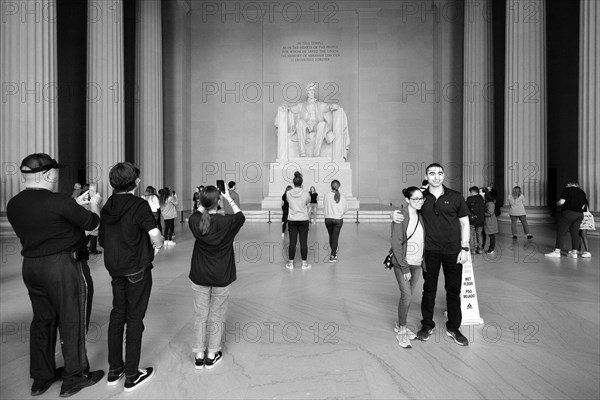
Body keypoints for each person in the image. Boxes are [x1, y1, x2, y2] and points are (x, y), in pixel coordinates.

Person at [6, 153, 105, 397]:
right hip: (63, 266)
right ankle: (75, 377)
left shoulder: (14, 204)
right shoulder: (60, 201)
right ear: (49, 174)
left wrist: (74, 204)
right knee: (72, 319)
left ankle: (42, 377)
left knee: (42, 321)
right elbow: (93, 225)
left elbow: (50, 221)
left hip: (31, 267)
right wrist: (94, 205)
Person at [99, 162, 164, 392]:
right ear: (135, 182)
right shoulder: (139, 205)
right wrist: (157, 247)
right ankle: (132, 375)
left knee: (118, 315)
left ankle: (115, 369)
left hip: (115, 269)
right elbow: (155, 235)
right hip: (136, 269)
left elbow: (102, 239)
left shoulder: (107, 205)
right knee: (134, 319)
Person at [392, 163, 470, 346]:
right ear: (426, 176)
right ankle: (427, 325)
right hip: (430, 252)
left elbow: (465, 224)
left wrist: (465, 248)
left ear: (444, 175)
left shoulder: (456, 197)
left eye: (440, 173)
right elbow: (408, 210)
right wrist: (393, 214)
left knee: (453, 290)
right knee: (429, 290)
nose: (436, 176)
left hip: (453, 251)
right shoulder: (422, 198)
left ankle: (453, 327)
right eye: (432, 173)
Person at [188, 185, 245, 370]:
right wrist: (228, 198)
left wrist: (203, 202)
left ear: (201, 202)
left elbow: (198, 213)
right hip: (221, 274)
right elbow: (240, 216)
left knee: (200, 314)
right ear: (218, 202)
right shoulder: (227, 222)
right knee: (217, 314)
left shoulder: (195, 220)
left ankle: (198, 354)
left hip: (200, 274)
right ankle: (212, 353)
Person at [276, 82, 350, 160]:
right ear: (307, 92)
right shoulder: (301, 105)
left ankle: (316, 152)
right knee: (300, 122)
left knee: (322, 124)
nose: (311, 92)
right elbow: (291, 109)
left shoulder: (320, 105)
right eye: (310, 91)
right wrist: (286, 107)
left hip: (316, 126)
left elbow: (328, 107)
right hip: (306, 126)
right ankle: (302, 152)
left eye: (312, 91)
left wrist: (334, 106)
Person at [390, 186, 425, 348]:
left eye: (421, 198)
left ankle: (400, 323)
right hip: (403, 263)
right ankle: (402, 328)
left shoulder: (422, 215)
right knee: (407, 296)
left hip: (417, 264)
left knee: (409, 295)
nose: (419, 202)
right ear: (407, 200)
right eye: (415, 199)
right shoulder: (400, 216)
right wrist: (404, 268)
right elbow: (396, 243)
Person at [545, 181, 588, 258]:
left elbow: (562, 202)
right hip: (580, 214)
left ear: (569, 184)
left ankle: (557, 252)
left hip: (568, 213)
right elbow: (583, 205)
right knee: (575, 233)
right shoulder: (582, 192)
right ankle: (574, 253)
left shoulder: (567, 189)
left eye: (567, 184)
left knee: (561, 232)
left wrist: (555, 204)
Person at [286, 171, 312, 270]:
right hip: (303, 219)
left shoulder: (288, 193)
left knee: (292, 242)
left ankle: (291, 263)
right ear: (301, 183)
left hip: (292, 219)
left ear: (293, 183)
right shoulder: (306, 194)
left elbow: (289, 202)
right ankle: (304, 263)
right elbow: (308, 202)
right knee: (303, 241)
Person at [323, 180, 349, 262]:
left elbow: (324, 205)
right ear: (339, 186)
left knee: (331, 237)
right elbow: (346, 208)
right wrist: (340, 213)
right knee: (335, 238)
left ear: (331, 186)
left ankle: (333, 253)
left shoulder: (326, 195)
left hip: (328, 218)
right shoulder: (342, 196)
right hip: (338, 219)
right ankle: (332, 255)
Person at [466, 186, 485, 254]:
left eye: (470, 192)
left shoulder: (470, 199)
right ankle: (480, 249)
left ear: (473, 192)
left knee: (472, 235)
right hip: (481, 219)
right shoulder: (482, 199)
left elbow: (465, 207)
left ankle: (473, 250)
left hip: (472, 219)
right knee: (479, 235)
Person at [482, 187, 499, 255]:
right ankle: (483, 247)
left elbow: (489, 213)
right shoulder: (488, 203)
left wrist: (481, 213)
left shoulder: (490, 204)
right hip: (487, 221)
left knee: (491, 235)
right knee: (485, 234)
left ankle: (492, 248)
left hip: (490, 221)